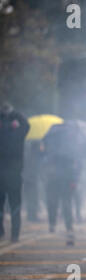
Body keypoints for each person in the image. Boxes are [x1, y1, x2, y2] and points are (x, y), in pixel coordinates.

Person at [0, 102, 30, 242]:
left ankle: (0, 232)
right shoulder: (18, 134)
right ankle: (15, 234)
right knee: (15, 205)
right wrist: (13, 113)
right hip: (14, 175)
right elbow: (26, 124)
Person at [42, 152, 80, 246]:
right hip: (63, 181)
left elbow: (46, 166)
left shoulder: (51, 149)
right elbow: (73, 168)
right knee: (64, 204)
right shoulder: (68, 149)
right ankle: (67, 226)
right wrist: (73, 180)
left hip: (56, 181)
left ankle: (53, 224)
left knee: (54, 204)